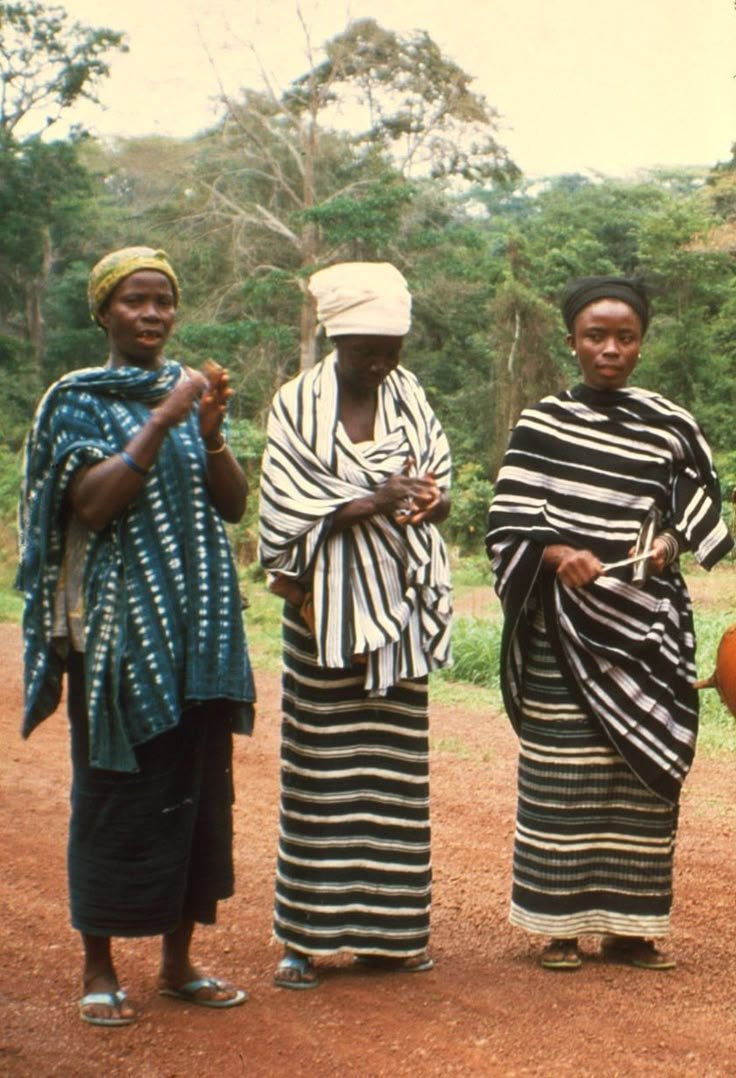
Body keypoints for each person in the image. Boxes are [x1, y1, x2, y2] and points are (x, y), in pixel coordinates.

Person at [18, 246, 256, 1025]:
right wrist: (162, 419)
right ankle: (97, 966)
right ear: (104, 312)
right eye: (134, 302)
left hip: (199, 635)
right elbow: (92, 504)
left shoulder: (189, 391)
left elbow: (231, 506)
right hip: (116, 636)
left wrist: (212, 432)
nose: (152, 315)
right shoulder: (77, 399)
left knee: (193, 800)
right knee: (116, 795)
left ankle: (178, 962)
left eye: (163, 302)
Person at [485, 275, 733, 973]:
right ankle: (558, 926)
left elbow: (695, 508)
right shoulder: (542, 425)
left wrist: (668, 546)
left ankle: (632, 928)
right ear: (572, 342)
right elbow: (508, 524)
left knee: (646, 773)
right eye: (596, 336)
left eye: (625, 337)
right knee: (563, 772)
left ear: (642, 345)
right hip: (564, 631)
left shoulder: (670, 425)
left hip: (648, 627)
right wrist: (557, 552)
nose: (611, 349)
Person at [258, 261, 452, 989]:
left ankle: (390, 935)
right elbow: (283, 513)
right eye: (366, 346)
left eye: (391, 346)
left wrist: (425, 500)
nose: (380, 361)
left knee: (396, 781)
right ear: (335, 337)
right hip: (320, 614)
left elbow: (440, 495)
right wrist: (373, 499)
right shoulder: (296, 404)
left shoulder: (410, 396)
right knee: (319, 778)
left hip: (396, 615)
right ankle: (304, 941)